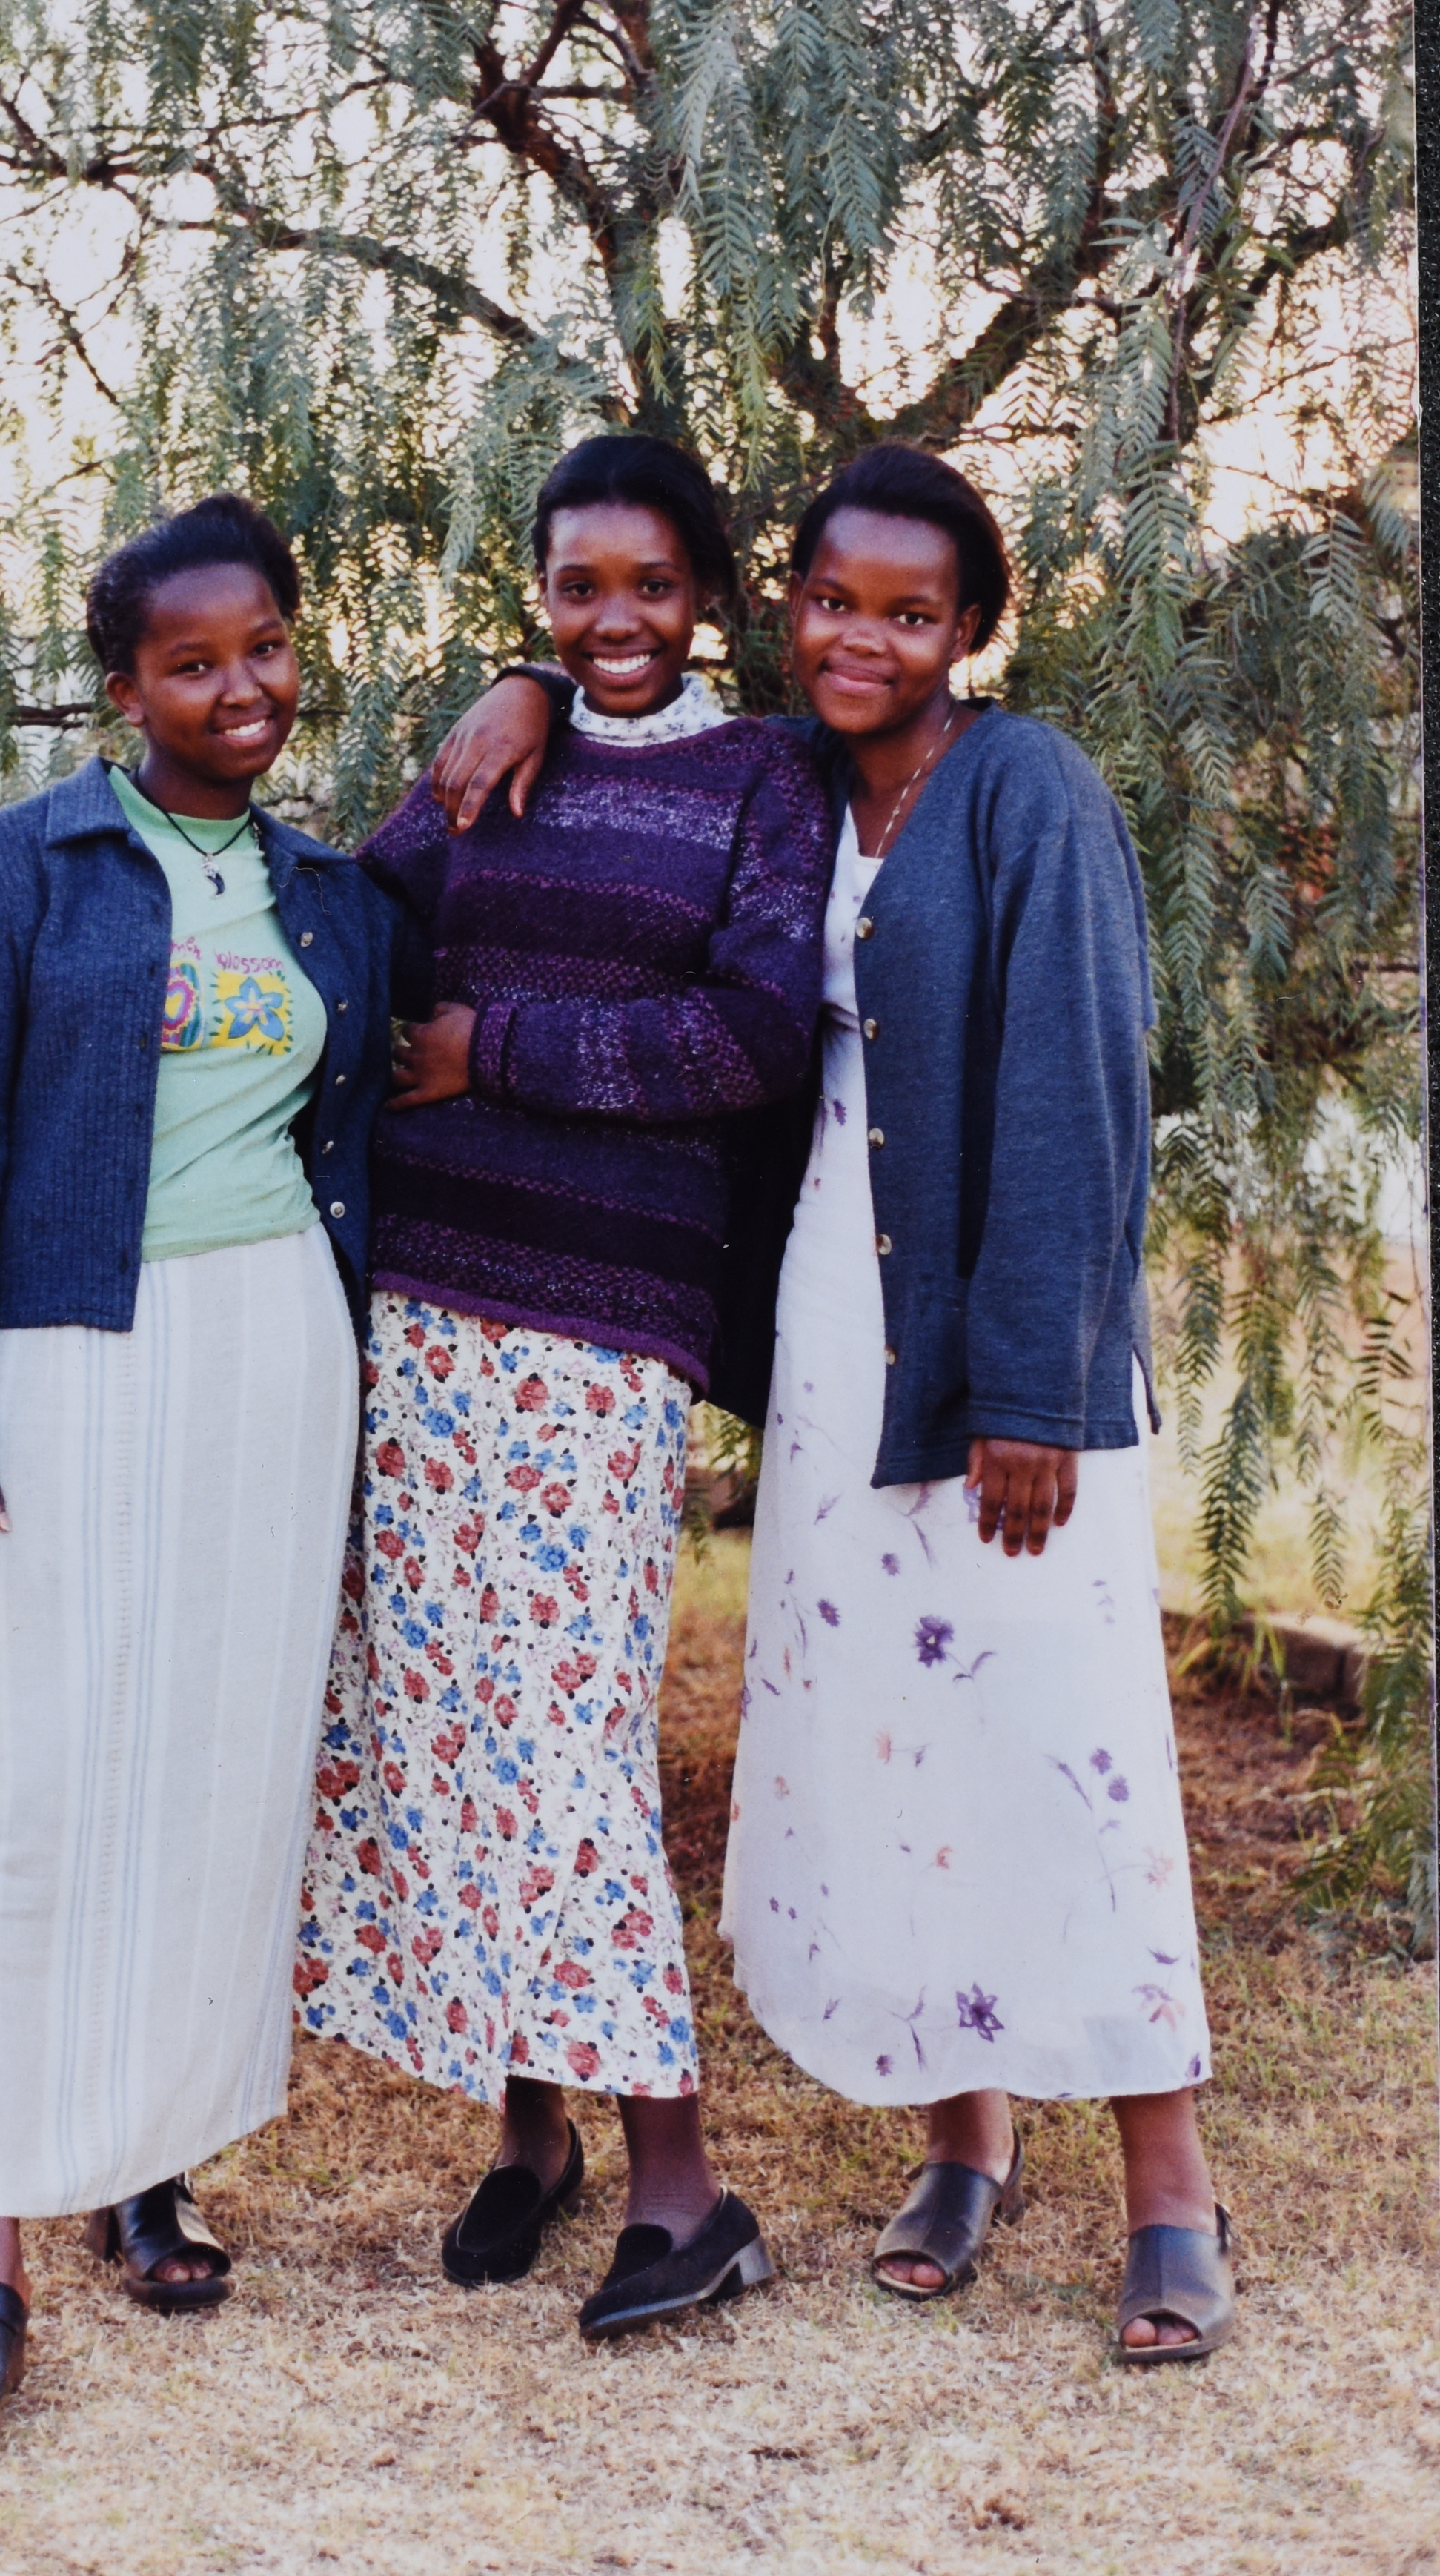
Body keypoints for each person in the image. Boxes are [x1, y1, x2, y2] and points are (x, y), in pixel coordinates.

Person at [431, 443, 1235, 2368]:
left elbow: (1074, 1093)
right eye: (828, 601)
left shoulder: (1020, 790)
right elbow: (639, 750)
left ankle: (1166, 2192)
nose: (857, 636)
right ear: (772, 606)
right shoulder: (783, 783)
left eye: (904, 611)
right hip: (824, 1334)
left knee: (1068, 1745)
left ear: (966, 630)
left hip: (992, 1351)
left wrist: (1029, 1384)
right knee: (892, 1744)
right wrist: (526, 683)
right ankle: (960, 2146)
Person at [295, 434, 834, 2342]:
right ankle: (532, 2132)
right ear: (536, 595)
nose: (614, 621)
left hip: (604, 1320)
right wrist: (496, 708)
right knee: (446, 1713)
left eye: (651, 587)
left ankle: (688, 2185)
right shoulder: (479, 763)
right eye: (574, 590)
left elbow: (756, 1031)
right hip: (422, 1302)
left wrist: (494, 1043)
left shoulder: (769, 773)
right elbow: (342, 933)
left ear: (707, 596)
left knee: (566, 1730)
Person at [0, 494, 401, 2453]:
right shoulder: (27, 867)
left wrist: (526, 686)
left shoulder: (329, 895)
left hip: (276, 1347)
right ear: (123, 689)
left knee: (217, 1762)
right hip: (66, 1352)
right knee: (38, 1785)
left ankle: (150, 2161)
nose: (237, 684)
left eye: (262, 645)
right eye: (191, 660)